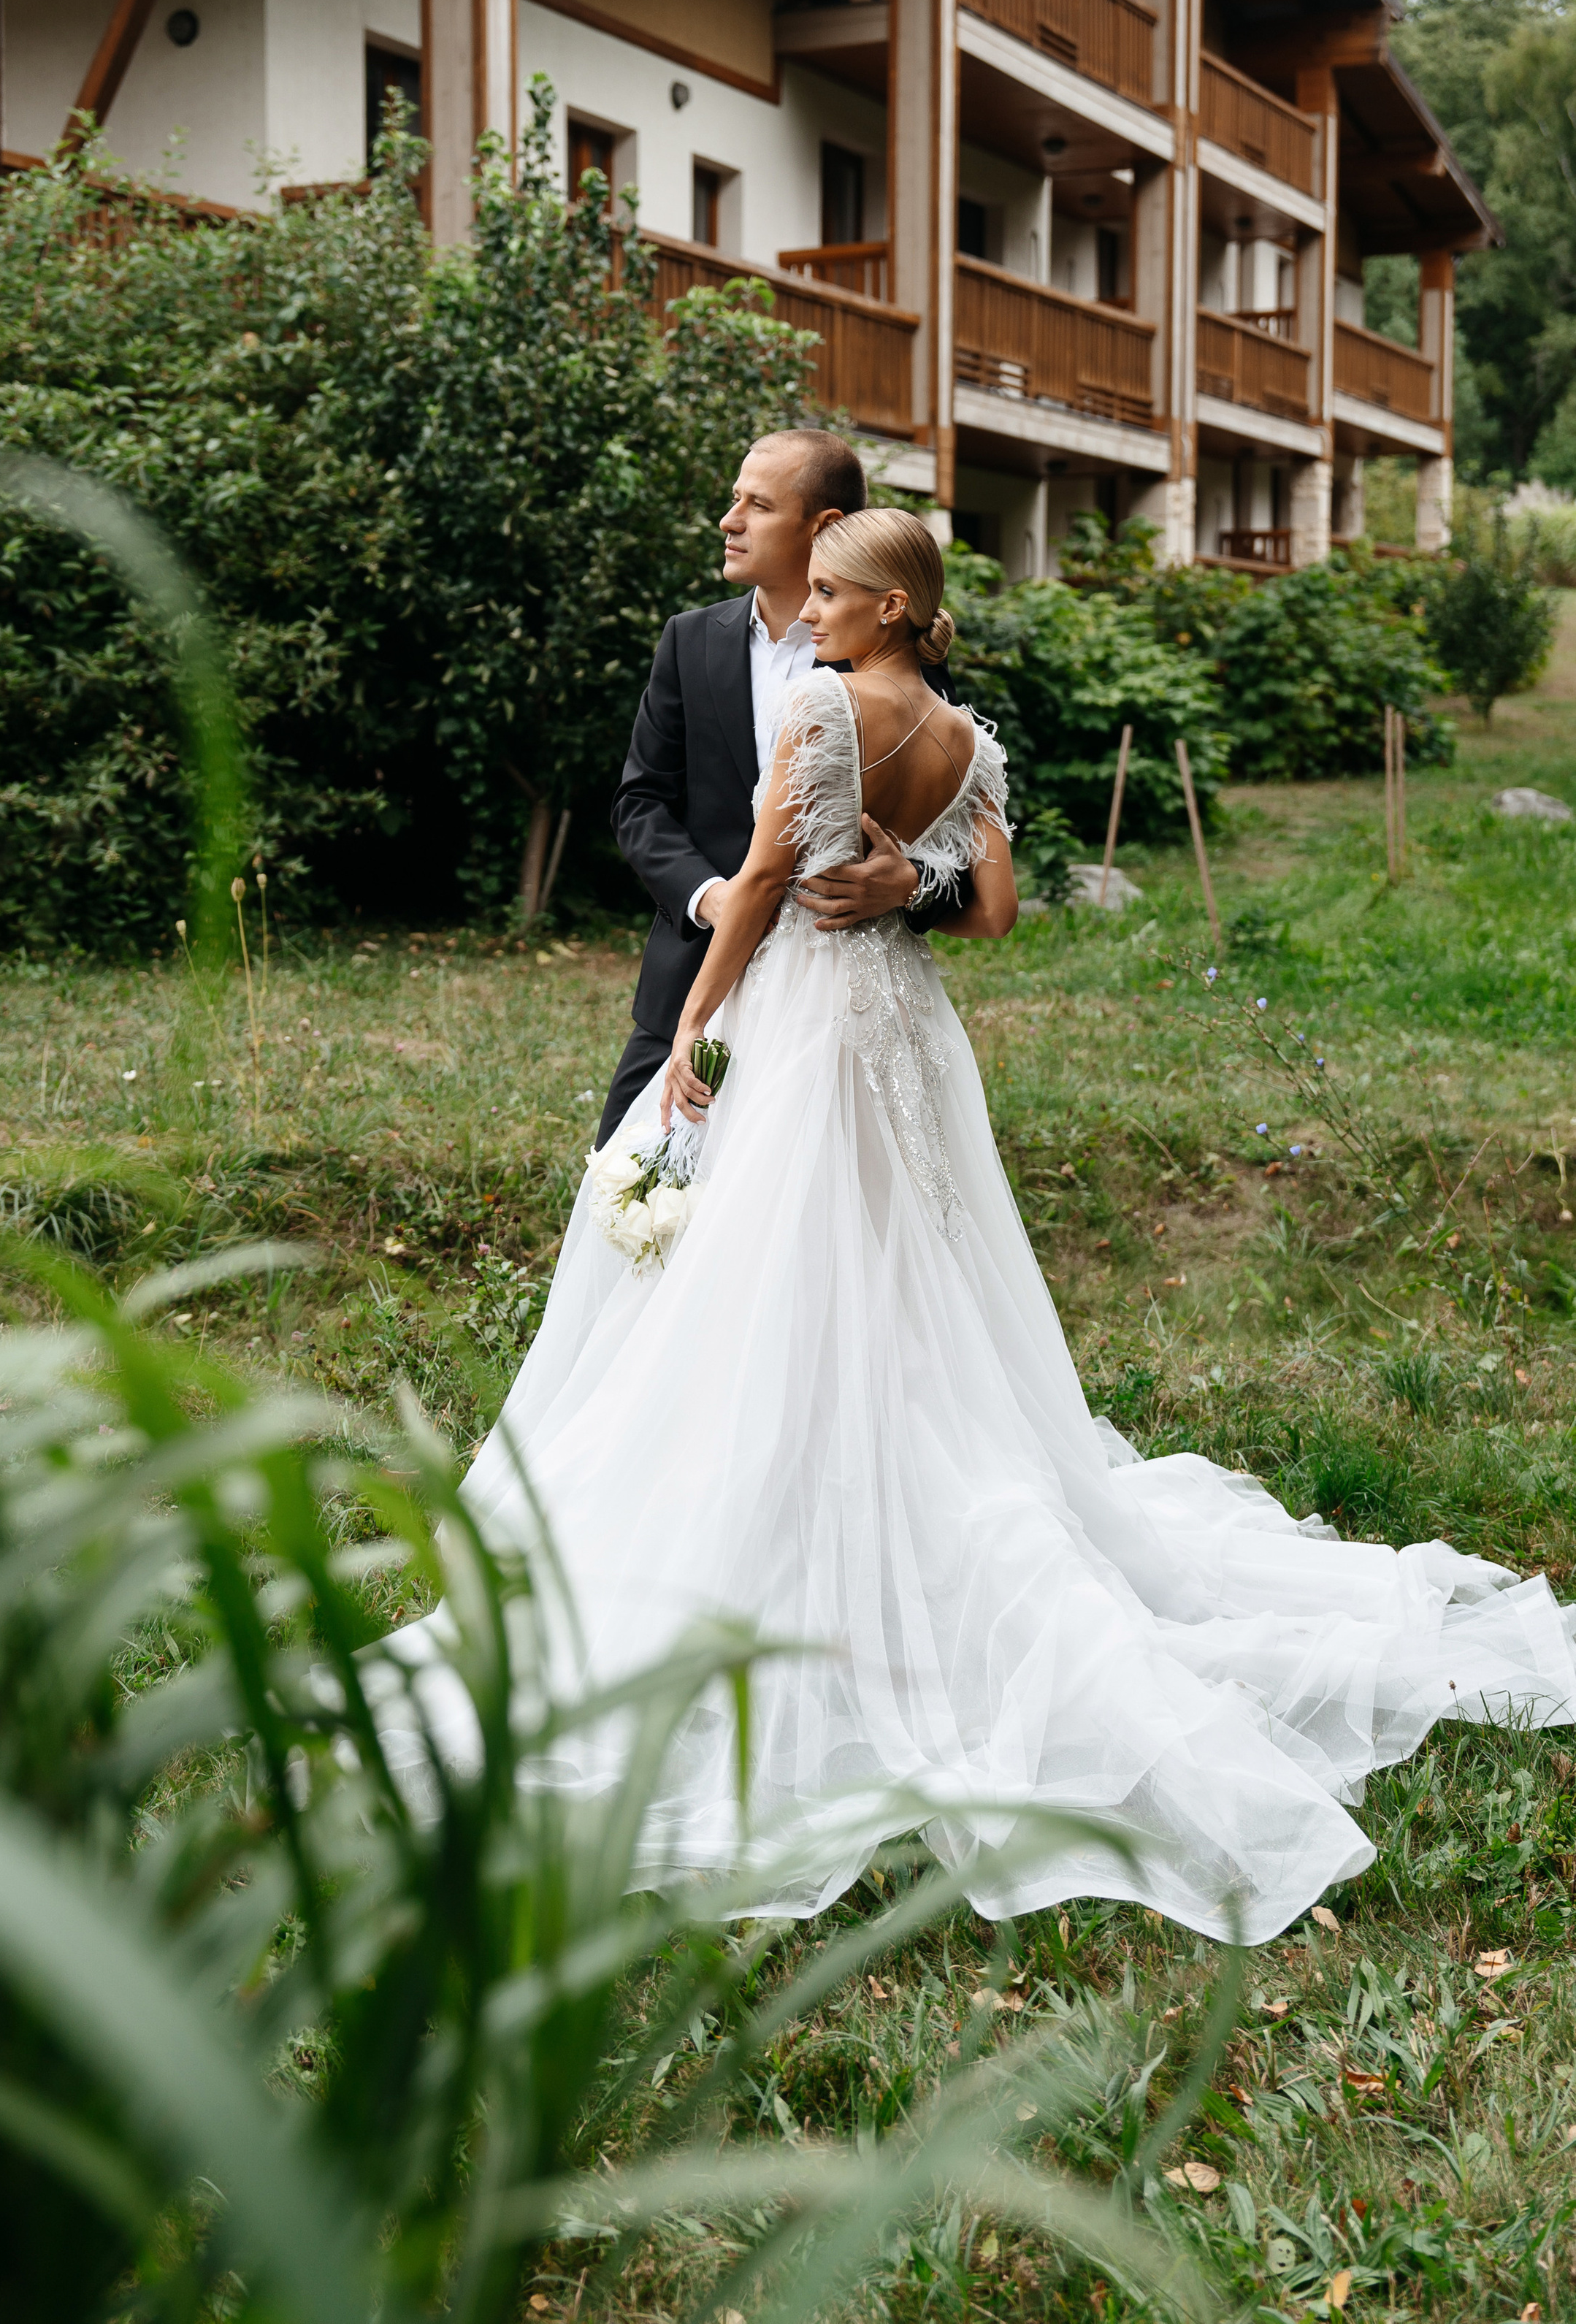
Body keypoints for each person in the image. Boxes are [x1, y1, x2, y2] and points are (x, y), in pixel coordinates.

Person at [412, 507, 1576, 1943]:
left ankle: (786, 1513)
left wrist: (689, 1028)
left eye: (836, 594)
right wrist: (916, 882)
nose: (814, 611)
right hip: (904, 1027)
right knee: (907, 1270)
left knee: (783, 1265)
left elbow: (766, 876)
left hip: (805, 1020)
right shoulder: (965, 738)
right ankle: (896, 1464)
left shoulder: (822, 711)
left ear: (894, 609)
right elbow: (994, 914)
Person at [598, 427, 994, 1150]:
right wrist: (708, 895)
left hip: (829, 1020)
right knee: (628, 1204)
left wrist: (908, 885)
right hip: (689, 980)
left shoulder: (903, 666)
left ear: (825, 527)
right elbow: (640, 800)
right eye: (732, 500)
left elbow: (969, 853)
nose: (729, 520)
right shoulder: (689, 642)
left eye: (756, 504)